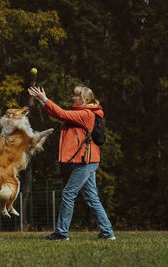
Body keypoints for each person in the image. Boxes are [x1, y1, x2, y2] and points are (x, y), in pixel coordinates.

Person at [27, 85, 115, 241]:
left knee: (68, 194)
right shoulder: (83, 112)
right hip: (89, 160)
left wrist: (44, 99)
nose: (73, 97)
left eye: (76, 95)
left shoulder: (86, 114)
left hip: (86, 161)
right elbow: (61, 116)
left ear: (85, 99)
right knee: (92, 197)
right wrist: (42, 102)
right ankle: (107, 233)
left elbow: (62, 113)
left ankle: (61, 233)